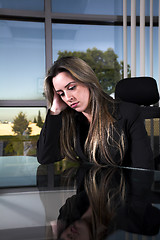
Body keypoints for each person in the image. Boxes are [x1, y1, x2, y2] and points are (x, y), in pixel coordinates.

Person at [37, 56, 154, 169]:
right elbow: (45, 158)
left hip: (121, 187)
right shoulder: (73, 118)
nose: (68, 98)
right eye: (61, 93)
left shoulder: (128, 113)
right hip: (87, 187)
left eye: (71, 87)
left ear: (88, 81)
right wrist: (54, 110)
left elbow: (143, 169)